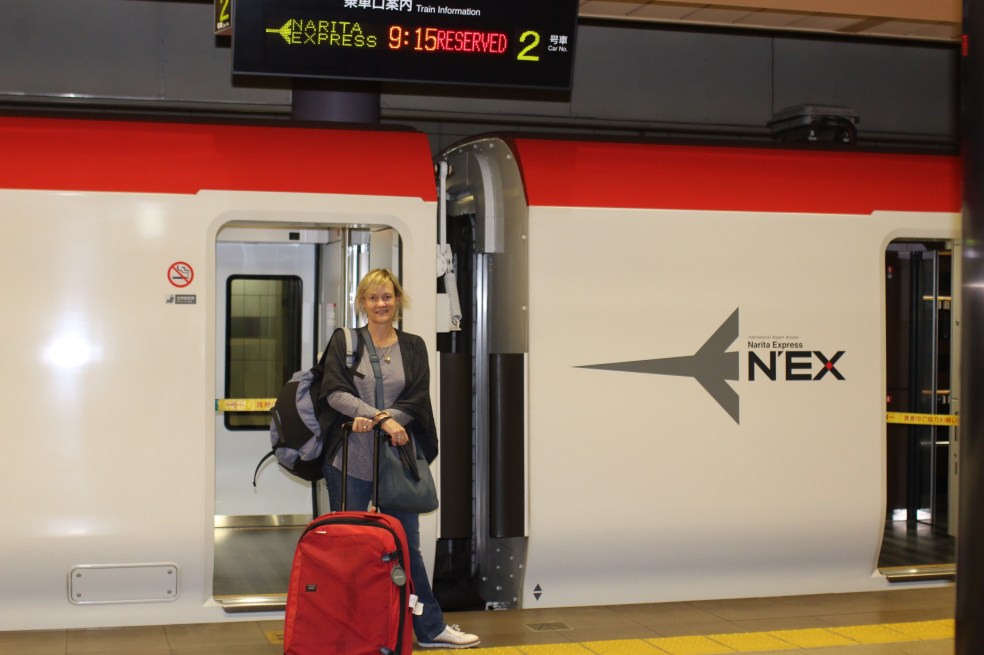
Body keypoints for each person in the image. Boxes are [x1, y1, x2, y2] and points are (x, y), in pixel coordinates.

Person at [318, 268, 480, 650]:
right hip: (350, 464)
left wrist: (387, 421)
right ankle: (346, 631)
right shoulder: (344, 341)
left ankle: (430, 628)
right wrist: (382, 419)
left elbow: (417, 399)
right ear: (362, 302)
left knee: (407, 549)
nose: (381, 304)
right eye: (373, 297)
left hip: (397, 463)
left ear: (398, 300)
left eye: (387, 296)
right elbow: (334, 392)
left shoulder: (413, 346)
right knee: (349, 550)